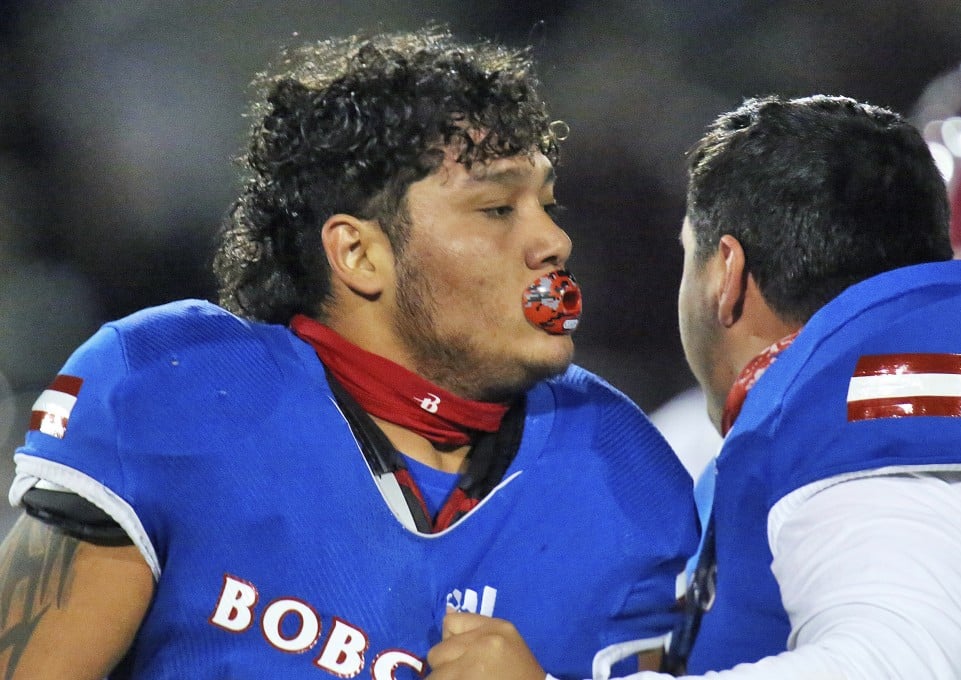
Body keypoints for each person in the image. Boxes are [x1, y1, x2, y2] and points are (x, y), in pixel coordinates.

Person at [0, 27, 698, 679]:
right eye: (496, 209)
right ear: (359, 253)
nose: (553, 241)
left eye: (547, 205)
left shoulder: (623, 470)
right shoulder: (178, 387)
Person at [426, 94, 961, 680]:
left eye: (691, 255)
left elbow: (896, 666)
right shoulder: (820, 414)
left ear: (727, 275)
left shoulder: (892, 403)